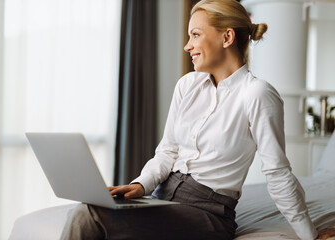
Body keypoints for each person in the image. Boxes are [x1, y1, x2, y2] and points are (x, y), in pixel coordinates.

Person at [61, 0, 319, 239]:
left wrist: (310, 235)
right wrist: (141, 184)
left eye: (195, 35)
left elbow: (277, 172)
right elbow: (167, 150)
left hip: (209, 213)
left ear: (227, 37)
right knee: (91, 207)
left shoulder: (257, 94)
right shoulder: (188, 85)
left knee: (88, 217)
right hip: (163, 198)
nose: (187, 46)